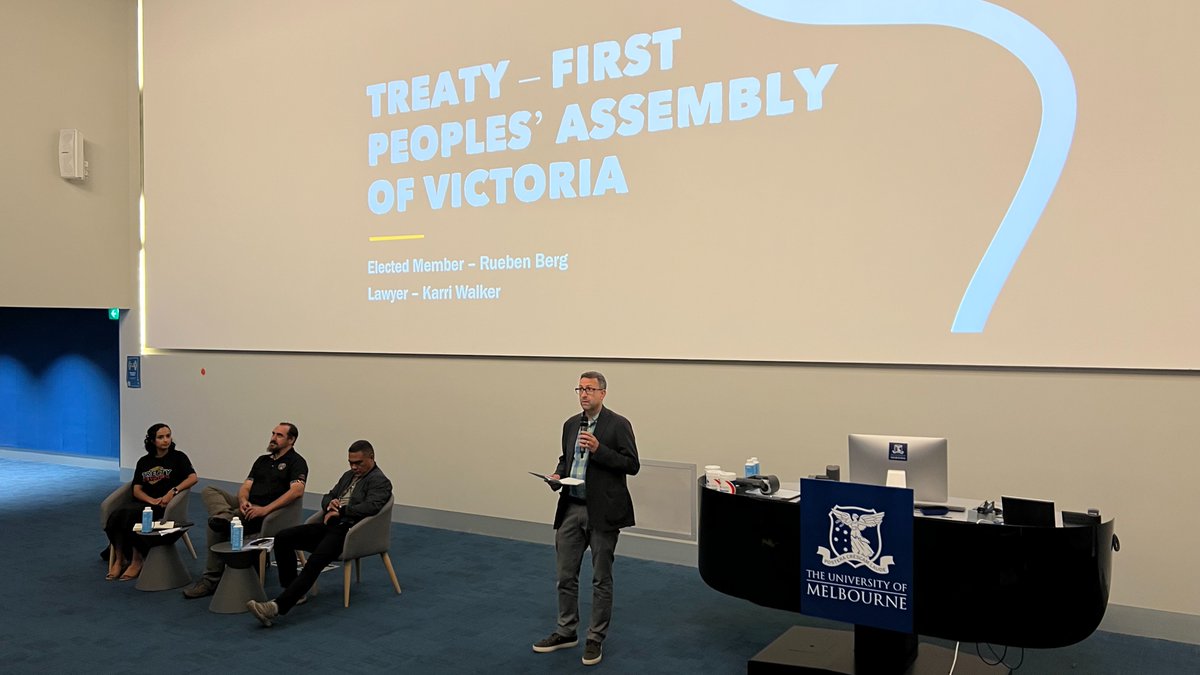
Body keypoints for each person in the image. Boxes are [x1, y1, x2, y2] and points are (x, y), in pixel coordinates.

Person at [533, 371, 640, 666]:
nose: (584, 394)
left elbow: (632, 464)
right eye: (580, 389)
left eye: (590, 389)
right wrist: (557, 475)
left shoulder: (618, 425)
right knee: (565, 576)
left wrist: (599, 449)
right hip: (571, 507)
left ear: (603, 393)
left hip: (602, 512)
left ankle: (595, 637)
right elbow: (566, 458)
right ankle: (566, 631)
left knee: (600, 578)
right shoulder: (570, 424)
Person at [247, 439, 393, 626]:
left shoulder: (380, 481)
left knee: (315, 561)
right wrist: (330, 504)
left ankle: (276, 607)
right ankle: (293, 591)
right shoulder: (348, 476)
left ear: (371, 458)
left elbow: (371, 507)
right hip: (330, 525)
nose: (354, 467)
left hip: (349, 532)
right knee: (283, 537)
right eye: (351, 462)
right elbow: (328, 496)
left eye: (358, 463)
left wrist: (340, 511)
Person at [183, 422, 308, 599]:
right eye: (273, 433)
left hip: (271, 514)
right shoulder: (262, 461)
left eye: (279, 435)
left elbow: (297, 491)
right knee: (209, 490)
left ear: (291, 440)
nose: (273, 438)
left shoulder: (297, 462)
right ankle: (224, 516)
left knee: (214, 528)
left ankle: (210, 580)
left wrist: (265, 510)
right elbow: (246, 486)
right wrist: (242, 500)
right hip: (248, 506)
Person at [103, 423, 198, 580]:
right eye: (160, 437)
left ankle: (136, 559)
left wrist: (172, 492)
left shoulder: (178, 457)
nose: (165, 440)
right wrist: (150, 500)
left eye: (168, 436)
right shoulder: (144, 461)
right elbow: (136, 489)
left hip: (165, 505)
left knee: (132, 517)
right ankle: (119, 560)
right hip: (145, 502)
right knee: (115, 516)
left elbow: (193, 478)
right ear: (152, 441)